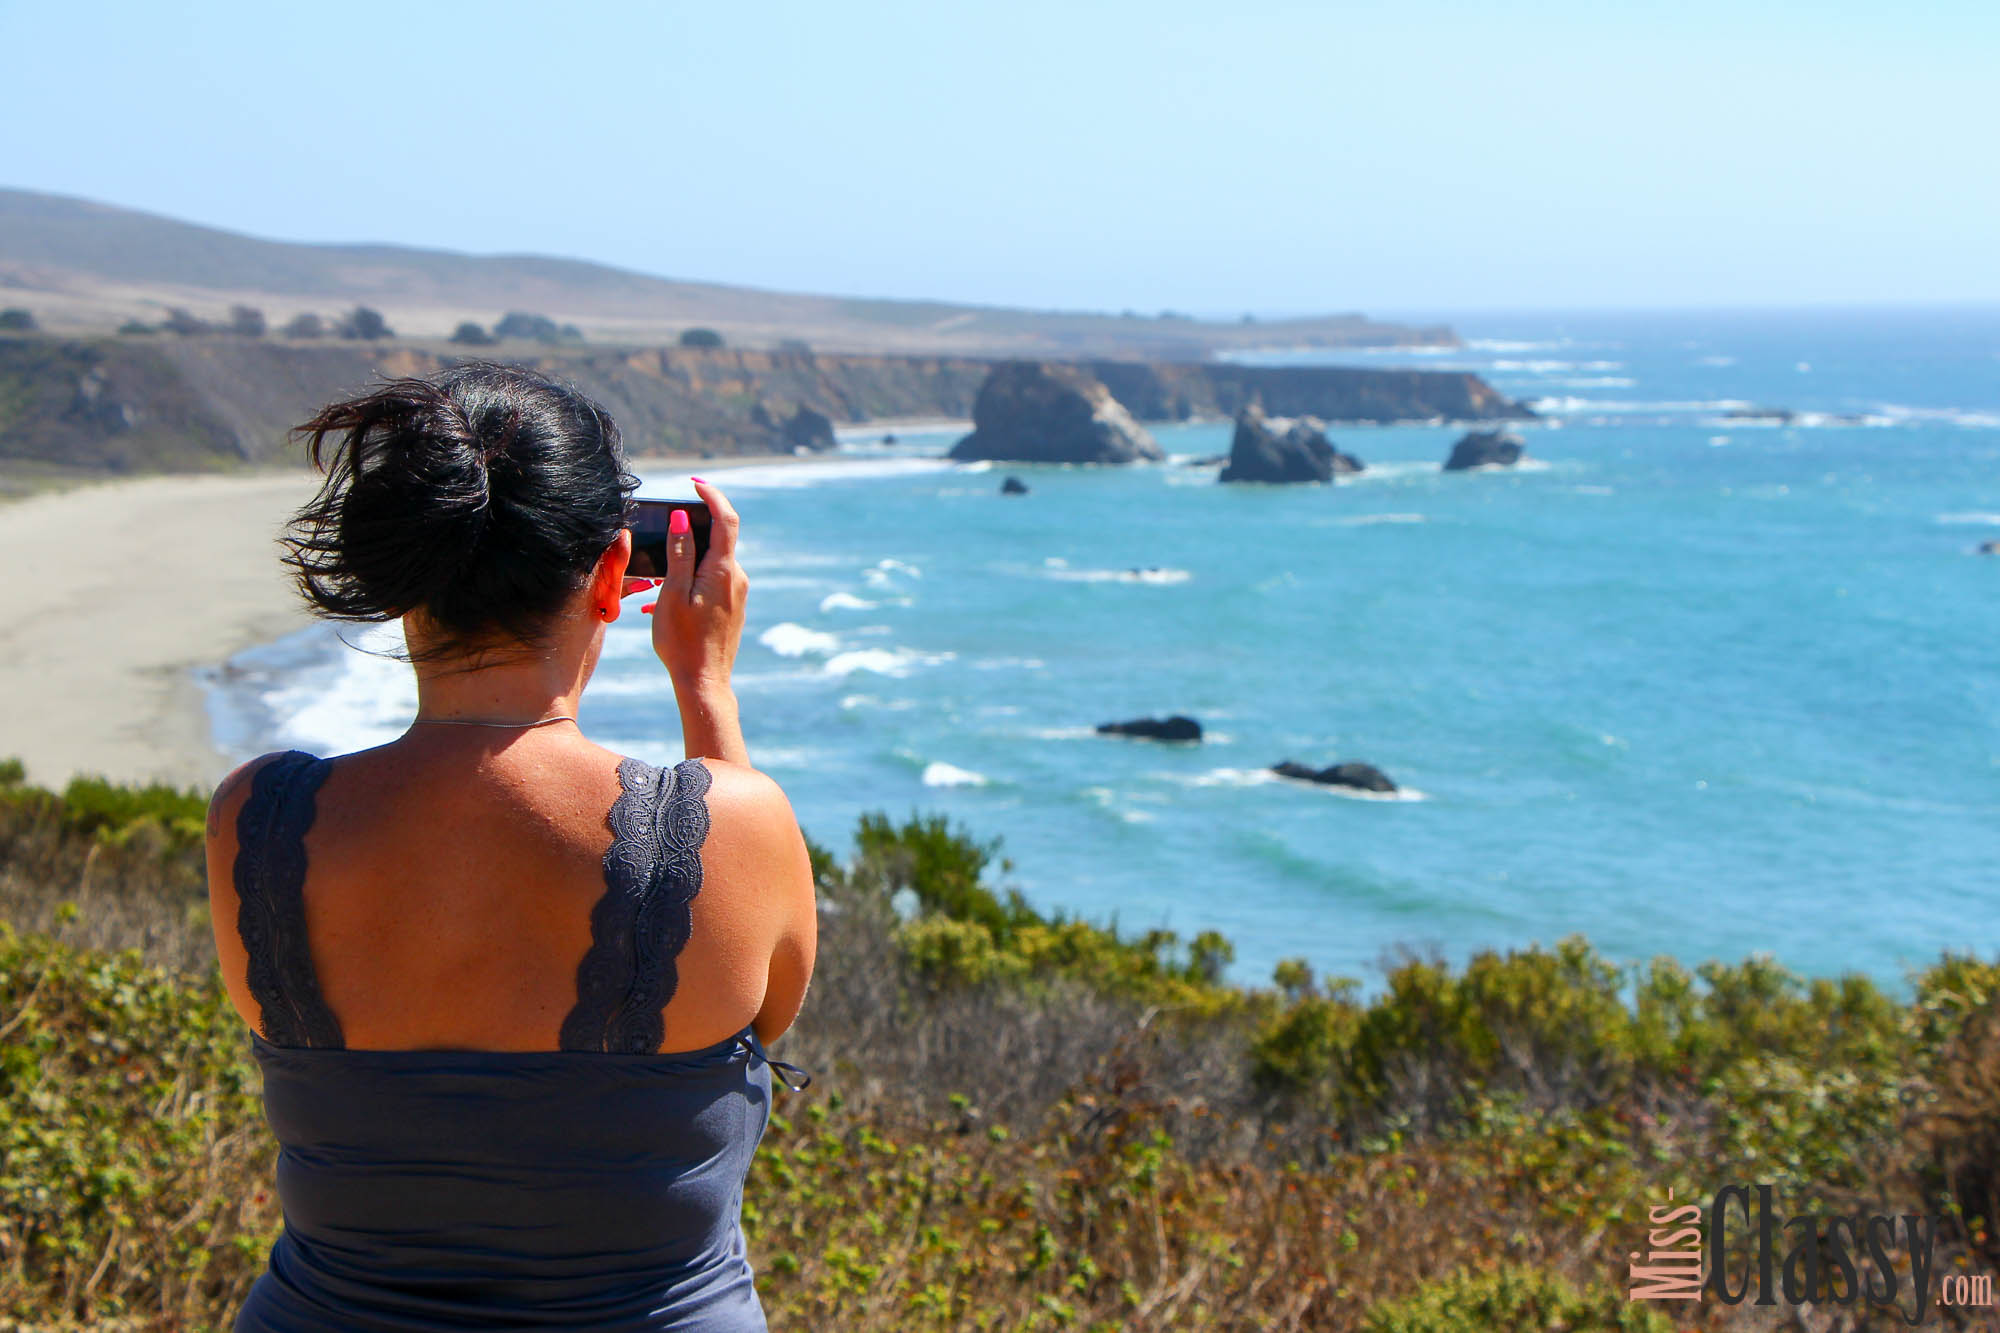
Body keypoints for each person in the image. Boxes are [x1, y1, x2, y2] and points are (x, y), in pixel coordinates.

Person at [204, 363, 817, 1331]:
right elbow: (757, 1011)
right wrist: (705, 687)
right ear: (615, 575)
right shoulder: (735, 828)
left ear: (405, 571)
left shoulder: (257, 822)